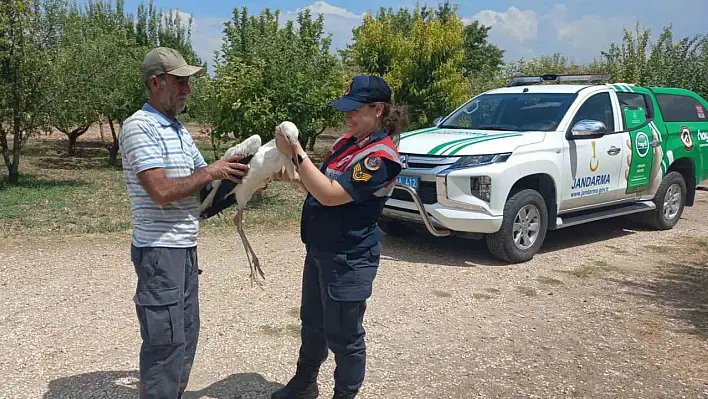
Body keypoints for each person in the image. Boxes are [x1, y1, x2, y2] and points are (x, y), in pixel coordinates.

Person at [119, 47, 250, 399]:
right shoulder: (140, 127)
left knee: (186, 333)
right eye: (180, 82)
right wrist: (212, 170)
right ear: (156, 82)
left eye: (188, 83)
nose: (187, 90)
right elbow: (160, 191)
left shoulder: (177, 130)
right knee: (165, 342)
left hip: (184, 247)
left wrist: (243, 177)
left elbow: (204, 184)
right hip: (160, 252)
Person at [271, 75, 408, 399]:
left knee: (345, 336)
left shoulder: (380, 158)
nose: (347, 116)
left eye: (354, 109)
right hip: (321, 249)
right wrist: (293, 170)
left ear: (378, 110)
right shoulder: (347, 144)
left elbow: (332, 194)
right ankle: (304, 384)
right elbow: (316, 186)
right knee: (313, 324)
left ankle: (344, 395)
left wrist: (297, 151)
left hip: (349, 257)